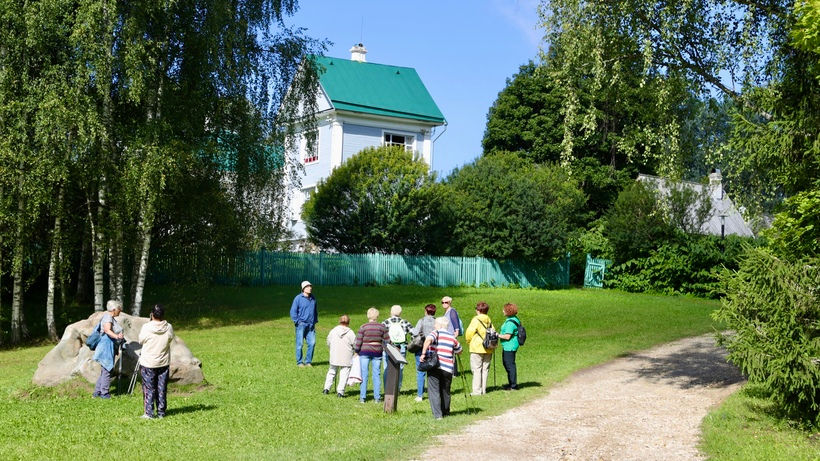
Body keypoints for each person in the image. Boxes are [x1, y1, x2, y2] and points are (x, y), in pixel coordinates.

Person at [419, 316, 462, 419]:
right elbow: (460, 350)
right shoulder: (452, 337)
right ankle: (446, 412)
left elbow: (428, 340)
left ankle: (438, 415)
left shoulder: (435, 333)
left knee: (434, 390)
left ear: (439, 325)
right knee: (445, 390)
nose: (434, 325)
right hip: (448, 368)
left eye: (435, 324)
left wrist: (423, 354)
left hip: (435, 365)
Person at [138, 304, 174, 419]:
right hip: (163, 362)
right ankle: (161, 412)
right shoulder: (168, 327)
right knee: (161, 388)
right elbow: (170, 338)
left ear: (152, 314)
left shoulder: (146, 327)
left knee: (149, 388)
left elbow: (141, 340)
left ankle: (149, 413)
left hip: (148, 362)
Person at [354, 307, 389, 403]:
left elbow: (359, 341)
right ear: (377, 316)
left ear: (368, 315)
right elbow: (387, 340)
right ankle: (377, 397)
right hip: (377, 352)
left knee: (364, 374)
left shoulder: (363, 327)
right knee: (376, 374)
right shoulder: (382, 327)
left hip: (364, 351)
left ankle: (362, 397)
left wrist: (356, 351)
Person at [92, 300, 124, 399]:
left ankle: (97, 392)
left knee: (105, 370)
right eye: (119, 308)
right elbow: (107, 330)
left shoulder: (109, 317)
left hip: (107, 345)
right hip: (106, 345)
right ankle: (104, 393)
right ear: (114, 309)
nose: (120, 310)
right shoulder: (108, 317)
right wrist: (117, 336)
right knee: (107, 369)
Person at [464, 301, 495, 395]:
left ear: (478, 310)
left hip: (477, 347)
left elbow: (469, 333)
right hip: (488, 347)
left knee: (476, 369)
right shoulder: (489, 320)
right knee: (485, 369)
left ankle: (477, 390)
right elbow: (493, 331)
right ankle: (483, 389)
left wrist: (469, 341)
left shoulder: (476, 319)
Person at [381, 304, 413, 391]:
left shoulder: (385, 322)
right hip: (401, 347)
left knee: (386, 368)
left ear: (391, 312)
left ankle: (387, 388)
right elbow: (414, 333)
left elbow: (381, 335)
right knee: (400, 368)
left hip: (388, 348)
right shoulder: (404, 322)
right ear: (400, 312)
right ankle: (397, 389)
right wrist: (409, 344)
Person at [324, 315, 356, 397]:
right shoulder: (350, 332)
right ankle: (340, 392)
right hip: (346, 356)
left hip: (335, 354)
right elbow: (355, 344)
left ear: (339, 321)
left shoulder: (333, 331)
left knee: (332, 371)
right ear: (348, 322)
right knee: (344, 373)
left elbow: (328, 341)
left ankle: (326, 388)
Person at [410, 303, 436, 402]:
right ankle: (433, 393)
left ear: (426, 311)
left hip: (421, 348)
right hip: (433, 348)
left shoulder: (421, 320)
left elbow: (415, 332)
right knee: (433, 371)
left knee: (420, 371)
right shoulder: (437, 321)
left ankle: (420, 395)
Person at [290, 280, 318, 367]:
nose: (310, 288)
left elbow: (315, 311)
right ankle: (300, 362)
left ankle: (308, 362)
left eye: (310, 286)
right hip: (301, 325)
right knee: (300, 344)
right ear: (303, 288)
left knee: (312, 343)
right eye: (308, 287)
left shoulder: (313, 298)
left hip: (311, 325)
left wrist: (315, 321)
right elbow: (293, 311)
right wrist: (297, 322)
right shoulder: (298, 298)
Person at [498, 302, 521, 390]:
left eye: (504, 310)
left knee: (509, 365)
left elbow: (507, 336)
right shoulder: (514, 319)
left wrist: (497, 335)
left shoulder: (510, 323)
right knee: (507, 364)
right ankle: (511, 383)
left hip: (509, 346)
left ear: (508, 311)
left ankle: (513, 385)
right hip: (510, 345)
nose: (503, 311)